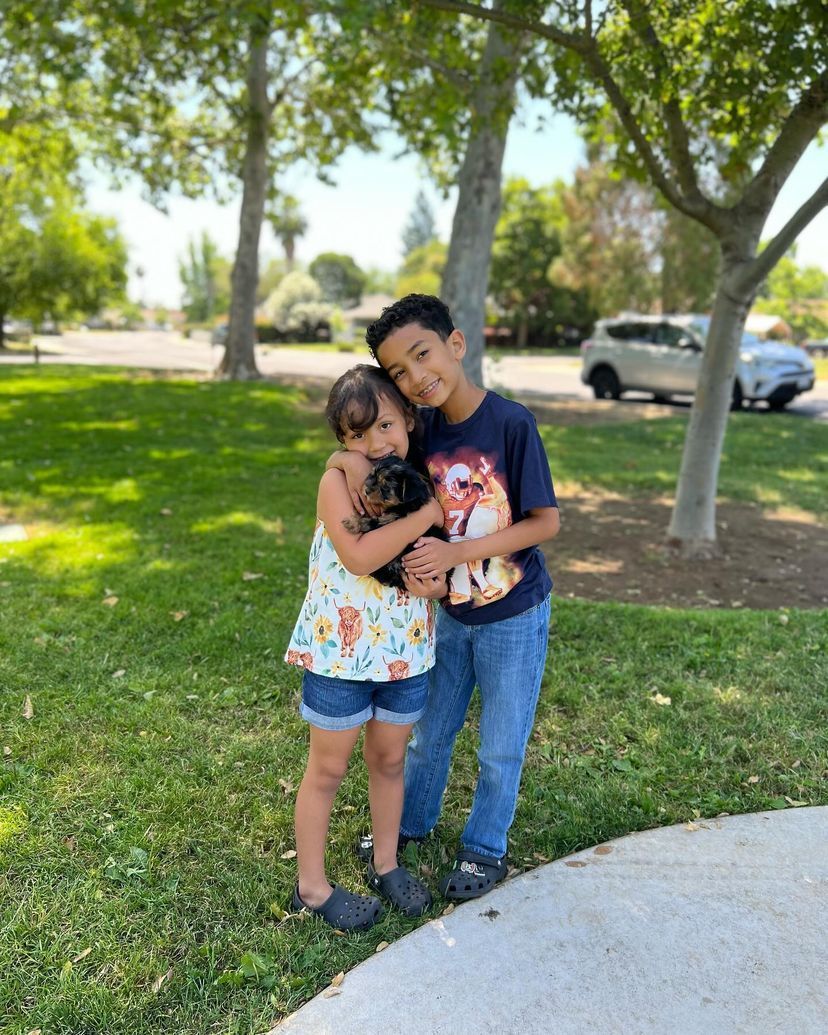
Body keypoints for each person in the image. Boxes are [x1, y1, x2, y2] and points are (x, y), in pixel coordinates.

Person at [332, 295, 560, 901]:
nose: (416, 376)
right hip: (449, 616)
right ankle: (409, 822)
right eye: (398, 371)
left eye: (422, 355)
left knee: (500, 746)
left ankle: (485, 848)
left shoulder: (511, 423)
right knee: (431, 732)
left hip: (513, 613)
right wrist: (343, 460)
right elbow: (365, 454)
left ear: (456, 344)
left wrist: (459, 553)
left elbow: (545, 523)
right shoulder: (418, 430)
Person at [285, 364, 447, 931]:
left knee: (390, 761)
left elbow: (433, 566)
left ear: (408, 419)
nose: (375, 444)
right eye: (356, 435)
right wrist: (425, 515)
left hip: (405, 653)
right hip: (341, 656)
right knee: (327, 770)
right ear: (341, 439)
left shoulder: (420, 478)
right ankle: (312, 887)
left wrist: (434, 583)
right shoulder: (339, 484)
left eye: (384, 425)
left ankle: (386, 863)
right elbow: (358, 557)